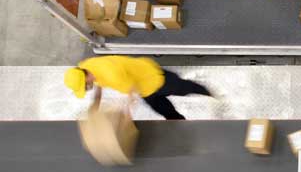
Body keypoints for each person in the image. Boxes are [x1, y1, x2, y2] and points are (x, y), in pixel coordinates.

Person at [64, 56, 212, 120]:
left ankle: (206, 91)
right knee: (164, 110)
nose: (87, 88)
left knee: (183, 88)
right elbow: (99, 85)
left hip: (153, 79)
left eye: (85, 86)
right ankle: (179, 123)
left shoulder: (112, 74)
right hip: (145, 90)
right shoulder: (85, 66)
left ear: (85, 78)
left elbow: (132, 91)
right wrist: (96, 104)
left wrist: (126, 114)